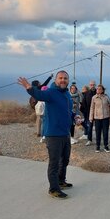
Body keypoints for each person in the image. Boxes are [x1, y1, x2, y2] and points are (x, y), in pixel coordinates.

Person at [18, 71, 73, 199]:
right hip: (53, 134)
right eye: (60, 78)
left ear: (68, 80)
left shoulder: (67, 94)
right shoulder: (51, 92)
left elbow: (68, 111)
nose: (63, 80)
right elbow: (39, 94)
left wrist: (75, 117)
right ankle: (53, 189)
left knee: (64, 160)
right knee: (54, 163)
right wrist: (29, 88)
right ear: (56, 80)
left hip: (65, 133)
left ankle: (61, 181)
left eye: (65, 78)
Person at [89, 84, 110, 153]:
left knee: (105, 132)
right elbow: (92, 108)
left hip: (106, 117)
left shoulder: (106, 97)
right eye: (97, 89)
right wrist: (91, 117)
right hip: (97, 117)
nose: (98, 90)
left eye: (100, 89)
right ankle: (97, 146)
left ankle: (106, 146)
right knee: (98, 133)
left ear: (103, 90)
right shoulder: (94, 97)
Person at [81, 80, 96, 145]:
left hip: (97, 113)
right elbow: (83, 104)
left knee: (98, 127)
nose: (92, 86)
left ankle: (98, 140)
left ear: (95, 85)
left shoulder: (98, 92)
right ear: (89, 85)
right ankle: (89, 140)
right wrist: (85, 113)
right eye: (91, 85)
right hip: (89, 113)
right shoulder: (86, 93)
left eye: (93, 85)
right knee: (90, 127)